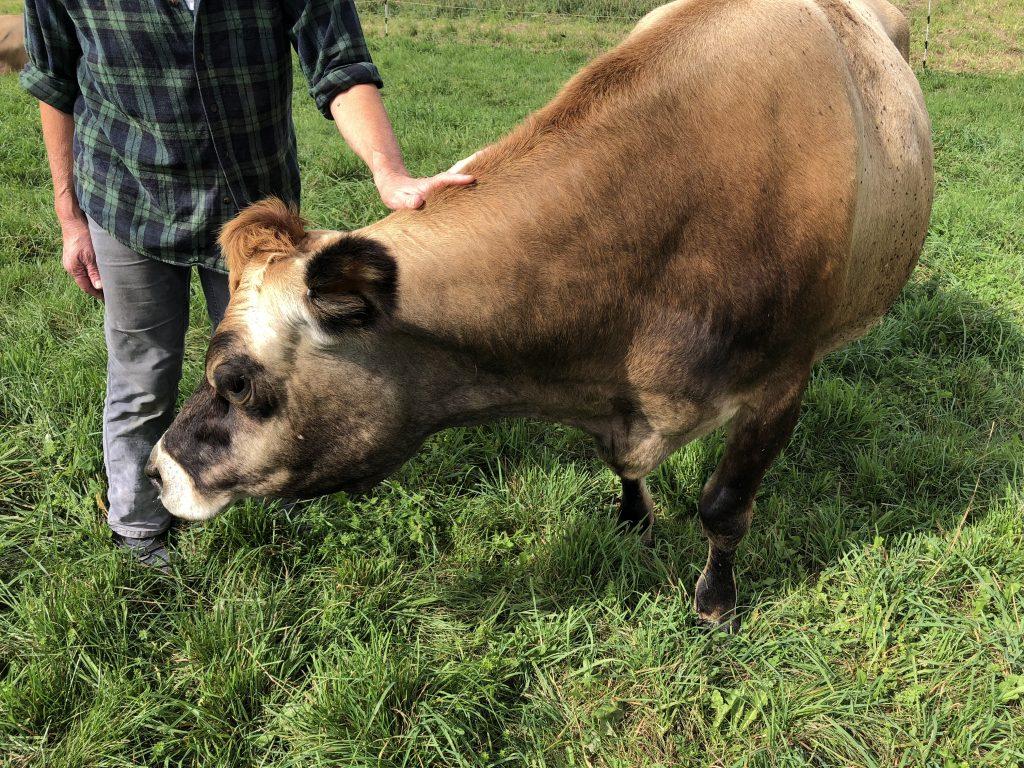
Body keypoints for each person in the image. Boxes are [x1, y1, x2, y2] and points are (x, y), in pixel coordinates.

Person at [21, 0, 473, 569]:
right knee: (142, 372)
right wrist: (70, 219)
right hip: (126, 202)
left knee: (269, 369)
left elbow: (340, 63)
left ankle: (274, 493)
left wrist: (389, 170)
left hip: (251, 215)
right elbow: (56, 83)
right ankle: (137, 528)